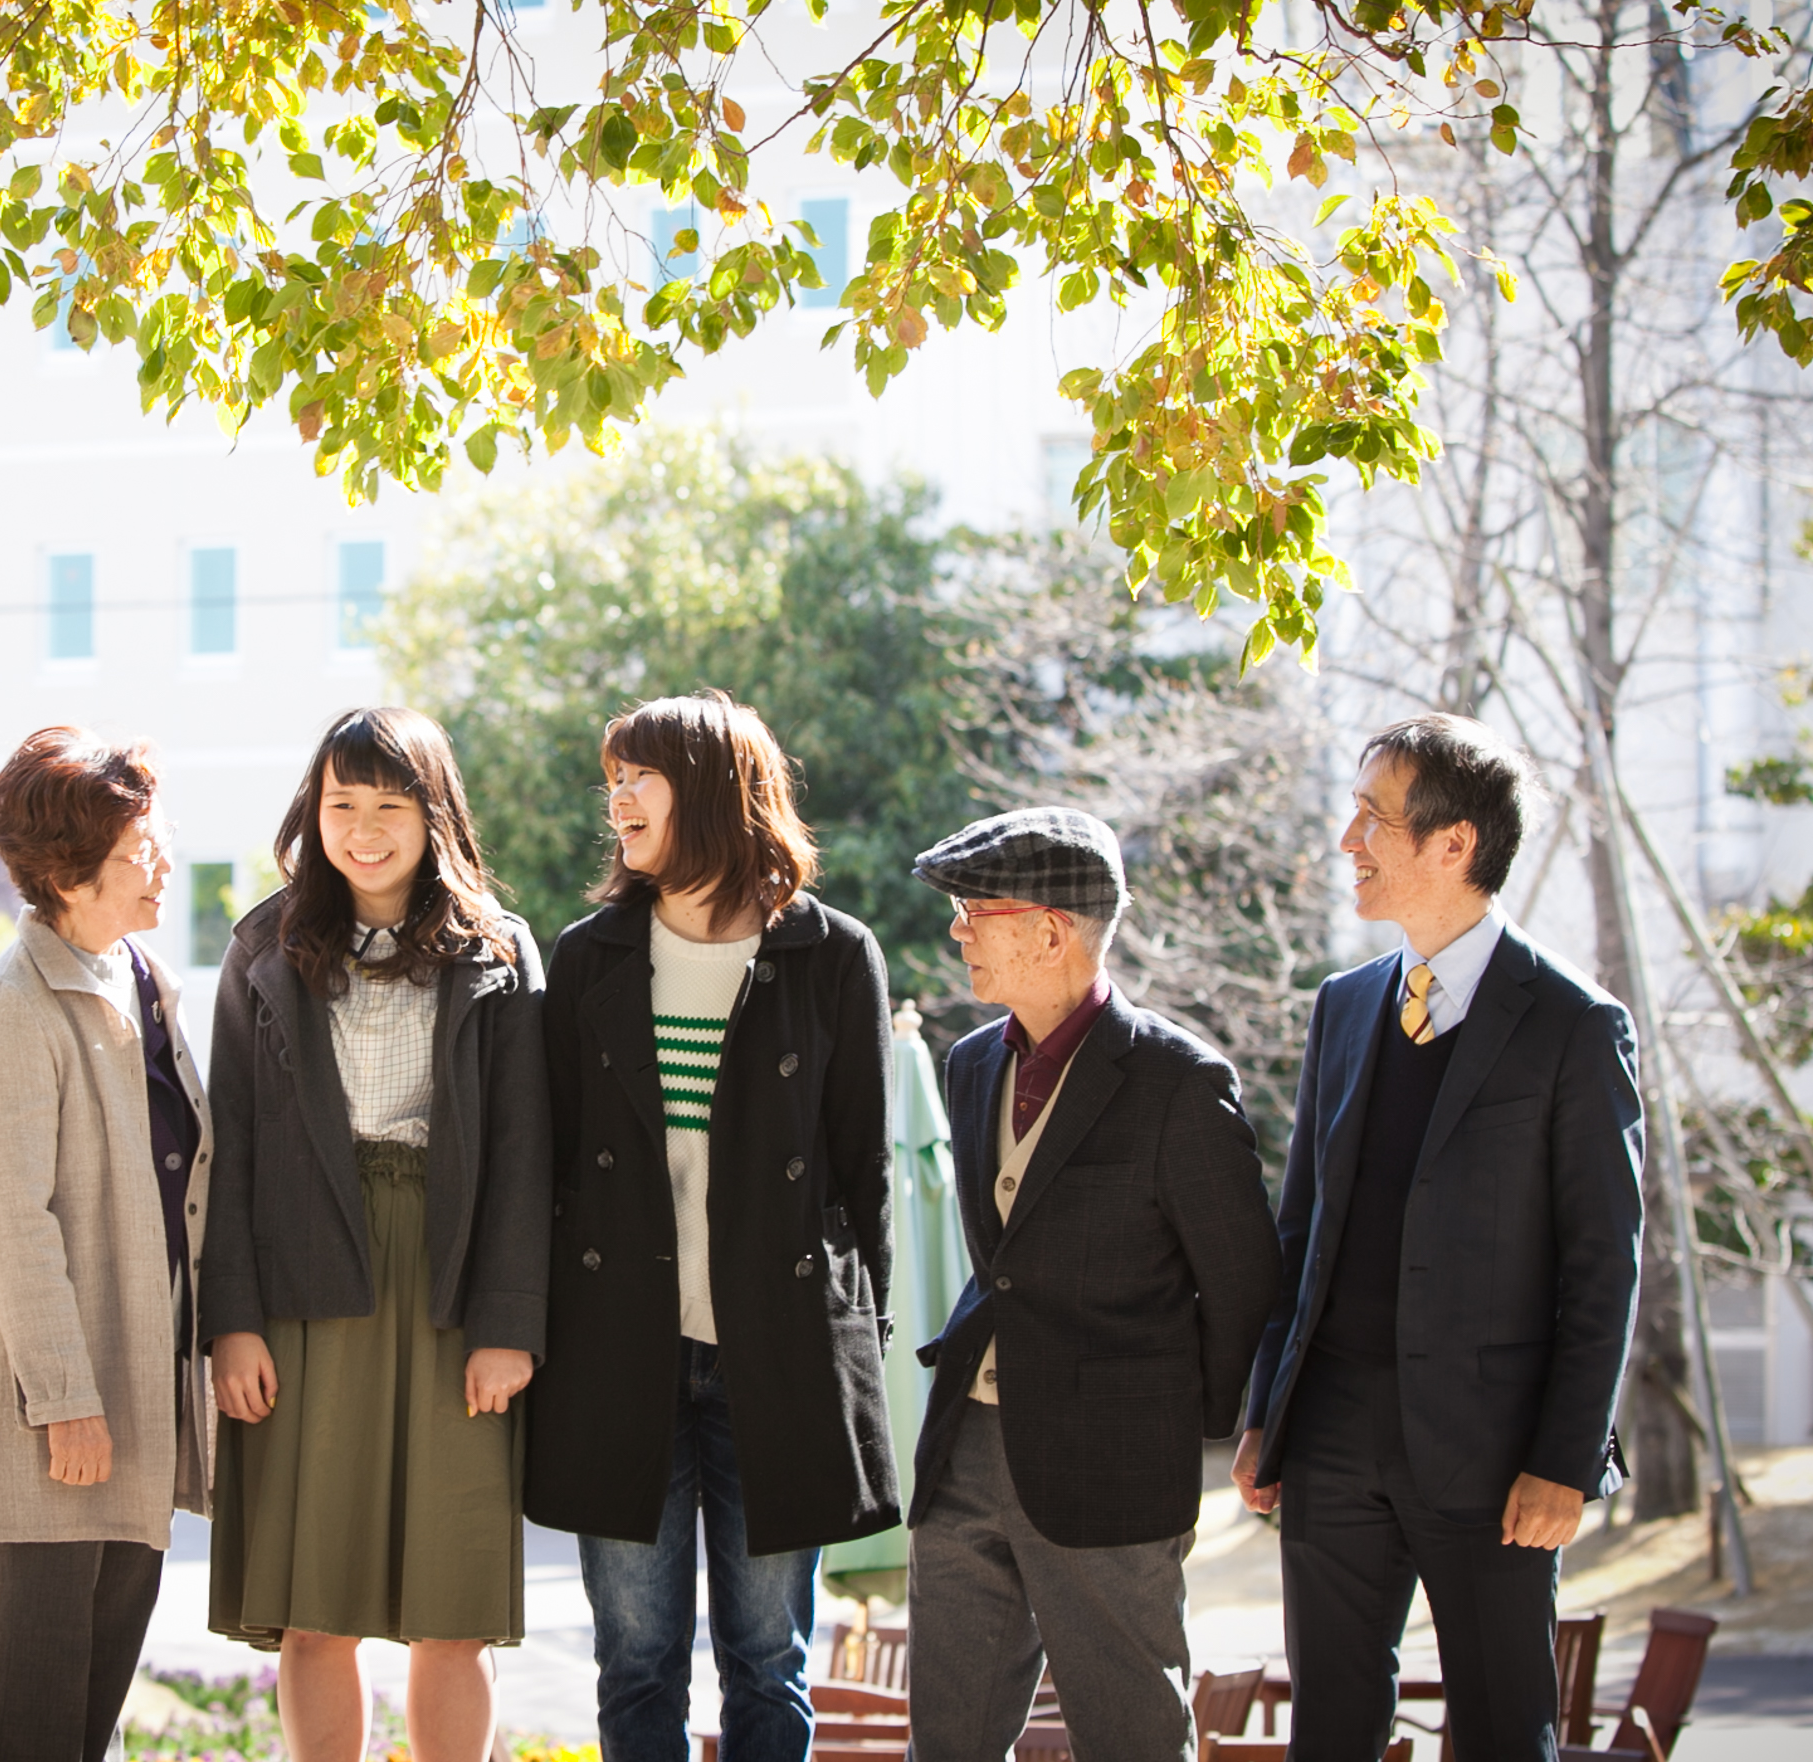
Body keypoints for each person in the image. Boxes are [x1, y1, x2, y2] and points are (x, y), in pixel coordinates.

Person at [1236, 714, 1643, 1762]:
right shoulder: (1342, 1007)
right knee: (1329, 1731)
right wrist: (1267, 1410)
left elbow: (1604, 1264)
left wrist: (1564, 1461)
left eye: (1372, 817)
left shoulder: (1574, 1024)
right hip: (1330, 1440)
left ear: (1453, 843)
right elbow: (1302, 1229)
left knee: (1505, 1730)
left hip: (1498, 1459)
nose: (1349, 841)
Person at [526, 691, 898, 1762]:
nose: (617, 800)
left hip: (777, 1358)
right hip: (620, 1353)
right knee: (636, 1661)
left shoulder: (832, 954)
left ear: (715, 789)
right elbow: (555, 1166)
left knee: (769, 1661)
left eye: (640, 776)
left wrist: (850, 1353)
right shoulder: (590, 956)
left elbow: (862, 1173)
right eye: (614, 779)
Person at [202, 706, 553, 1762]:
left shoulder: (498, 950)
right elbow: (232, 1147)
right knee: (316, 1608)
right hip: (306, 1282)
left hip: (452, 1286)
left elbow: (526, 1151)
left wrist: (510, 1324)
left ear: (434, 814)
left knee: (454, 1606)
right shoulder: (263, 945)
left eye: (390, 806)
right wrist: (232, 1322)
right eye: (340, 804)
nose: (362, 830)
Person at [902, 807, 1282, 1762]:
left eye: (974, 911)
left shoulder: (1179, 1081)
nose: (956, 931)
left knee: (1132, 1739)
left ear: (1049, 931)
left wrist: (1175, 1418)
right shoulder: (970, 1064)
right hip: (964, 1453)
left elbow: (1244, 1285)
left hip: (1112, 1467)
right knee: (944, 1745)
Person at [0, 727, 215, 1761]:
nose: (165, 864)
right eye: (141, 851)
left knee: (94, 1698)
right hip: (64, 1410)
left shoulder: (140, 977)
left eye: (160, 837)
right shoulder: (11, 1007)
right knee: (37, 1704)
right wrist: (64, 1400)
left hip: (137, 1387)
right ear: (66, 875)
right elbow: (14, 1226)